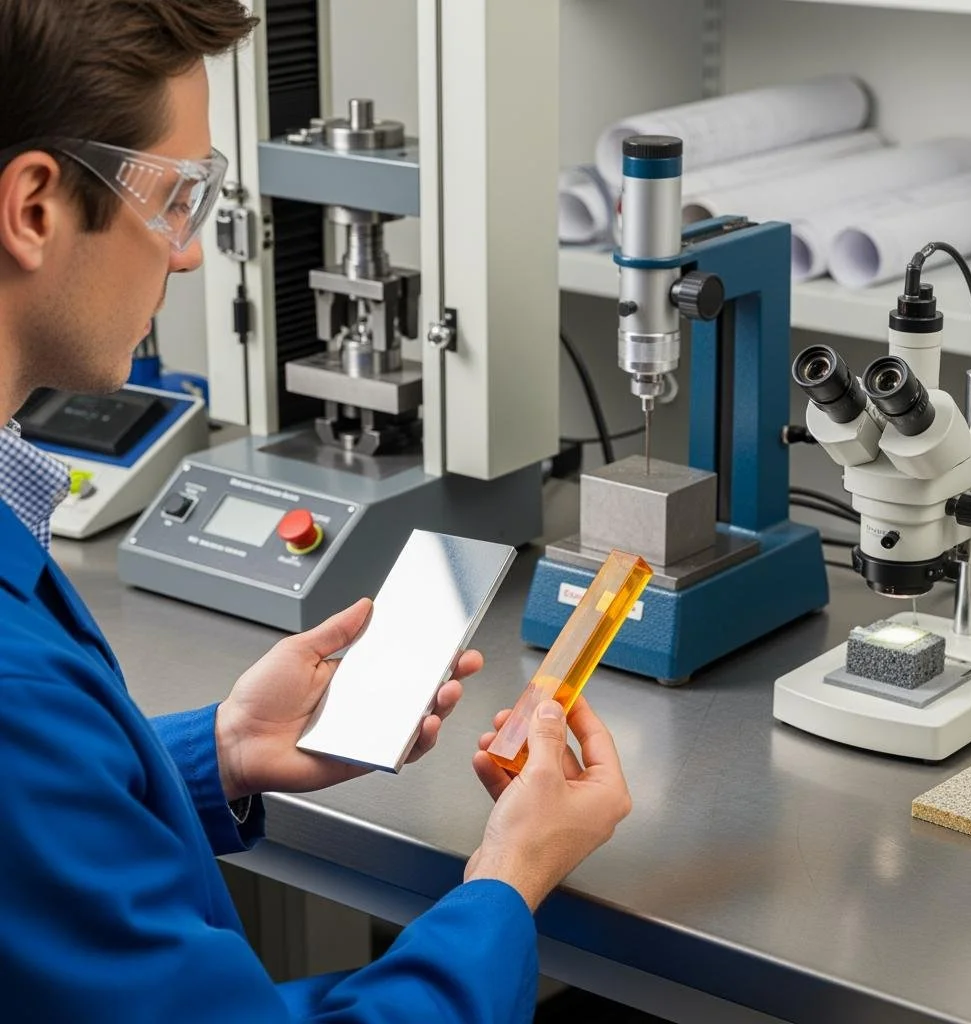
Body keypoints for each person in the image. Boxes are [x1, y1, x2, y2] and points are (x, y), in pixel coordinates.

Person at [0, 1, 633, 1020]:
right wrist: (507, 878)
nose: (191, 250)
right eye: (175, 195)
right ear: (34, 207)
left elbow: (36, 830)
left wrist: (221, 750)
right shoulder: (15, 691)